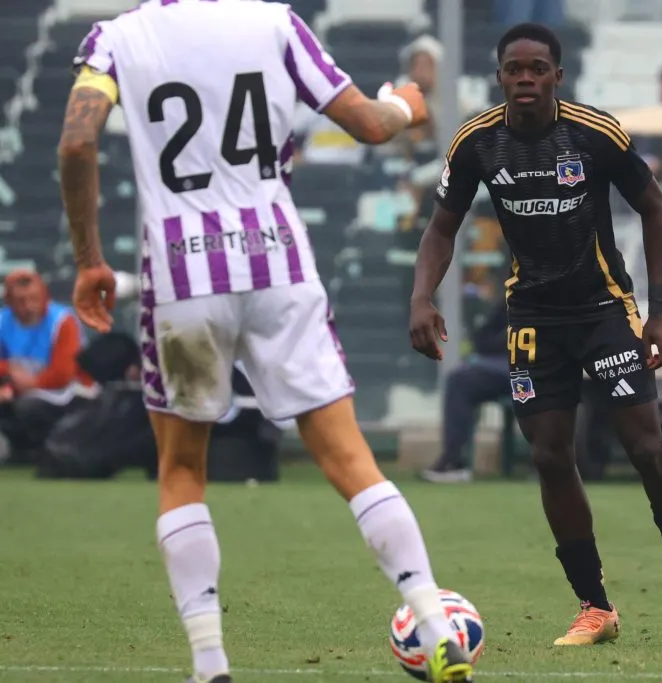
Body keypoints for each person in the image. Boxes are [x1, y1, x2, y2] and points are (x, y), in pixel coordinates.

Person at [57, 2, 473, 682]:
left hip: (185, 277)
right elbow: (368, 124)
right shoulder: (274, 23)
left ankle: (211, 663)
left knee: (183, 469)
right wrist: (403, 104)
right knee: (348, 456)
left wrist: (89, 258)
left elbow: (76, 142)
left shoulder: (116, 39)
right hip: (277, 262)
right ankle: (433, 620)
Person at [409, 23, 662, 647]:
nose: (526, 78)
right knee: (550, 456)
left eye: (538, 68)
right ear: (500, 77)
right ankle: (595, 606)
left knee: (644, 446)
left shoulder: (595, 133)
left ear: (557, 75)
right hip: (531, 317)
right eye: (515, 69)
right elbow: (442, 228)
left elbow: (656, 211)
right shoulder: (476, 143)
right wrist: (421, 297)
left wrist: (657, 313)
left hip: (604, 308)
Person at [0, 270, 95, 464]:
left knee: (29, 407)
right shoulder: (2, 322)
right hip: (17, 390)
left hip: (66, 394)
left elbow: (63, 373)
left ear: (44, 296)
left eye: (33, 298)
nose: (28, 306)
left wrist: (27, 384)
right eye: (20, 301)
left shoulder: (62, 322)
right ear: (9, 301)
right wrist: (8, 374)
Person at [421, 297, 510, 483]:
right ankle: (454, 461)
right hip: (506, 368)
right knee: (460, 380)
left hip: (542, 370)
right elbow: (483, 339)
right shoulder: (515, 295)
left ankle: (556, 463)